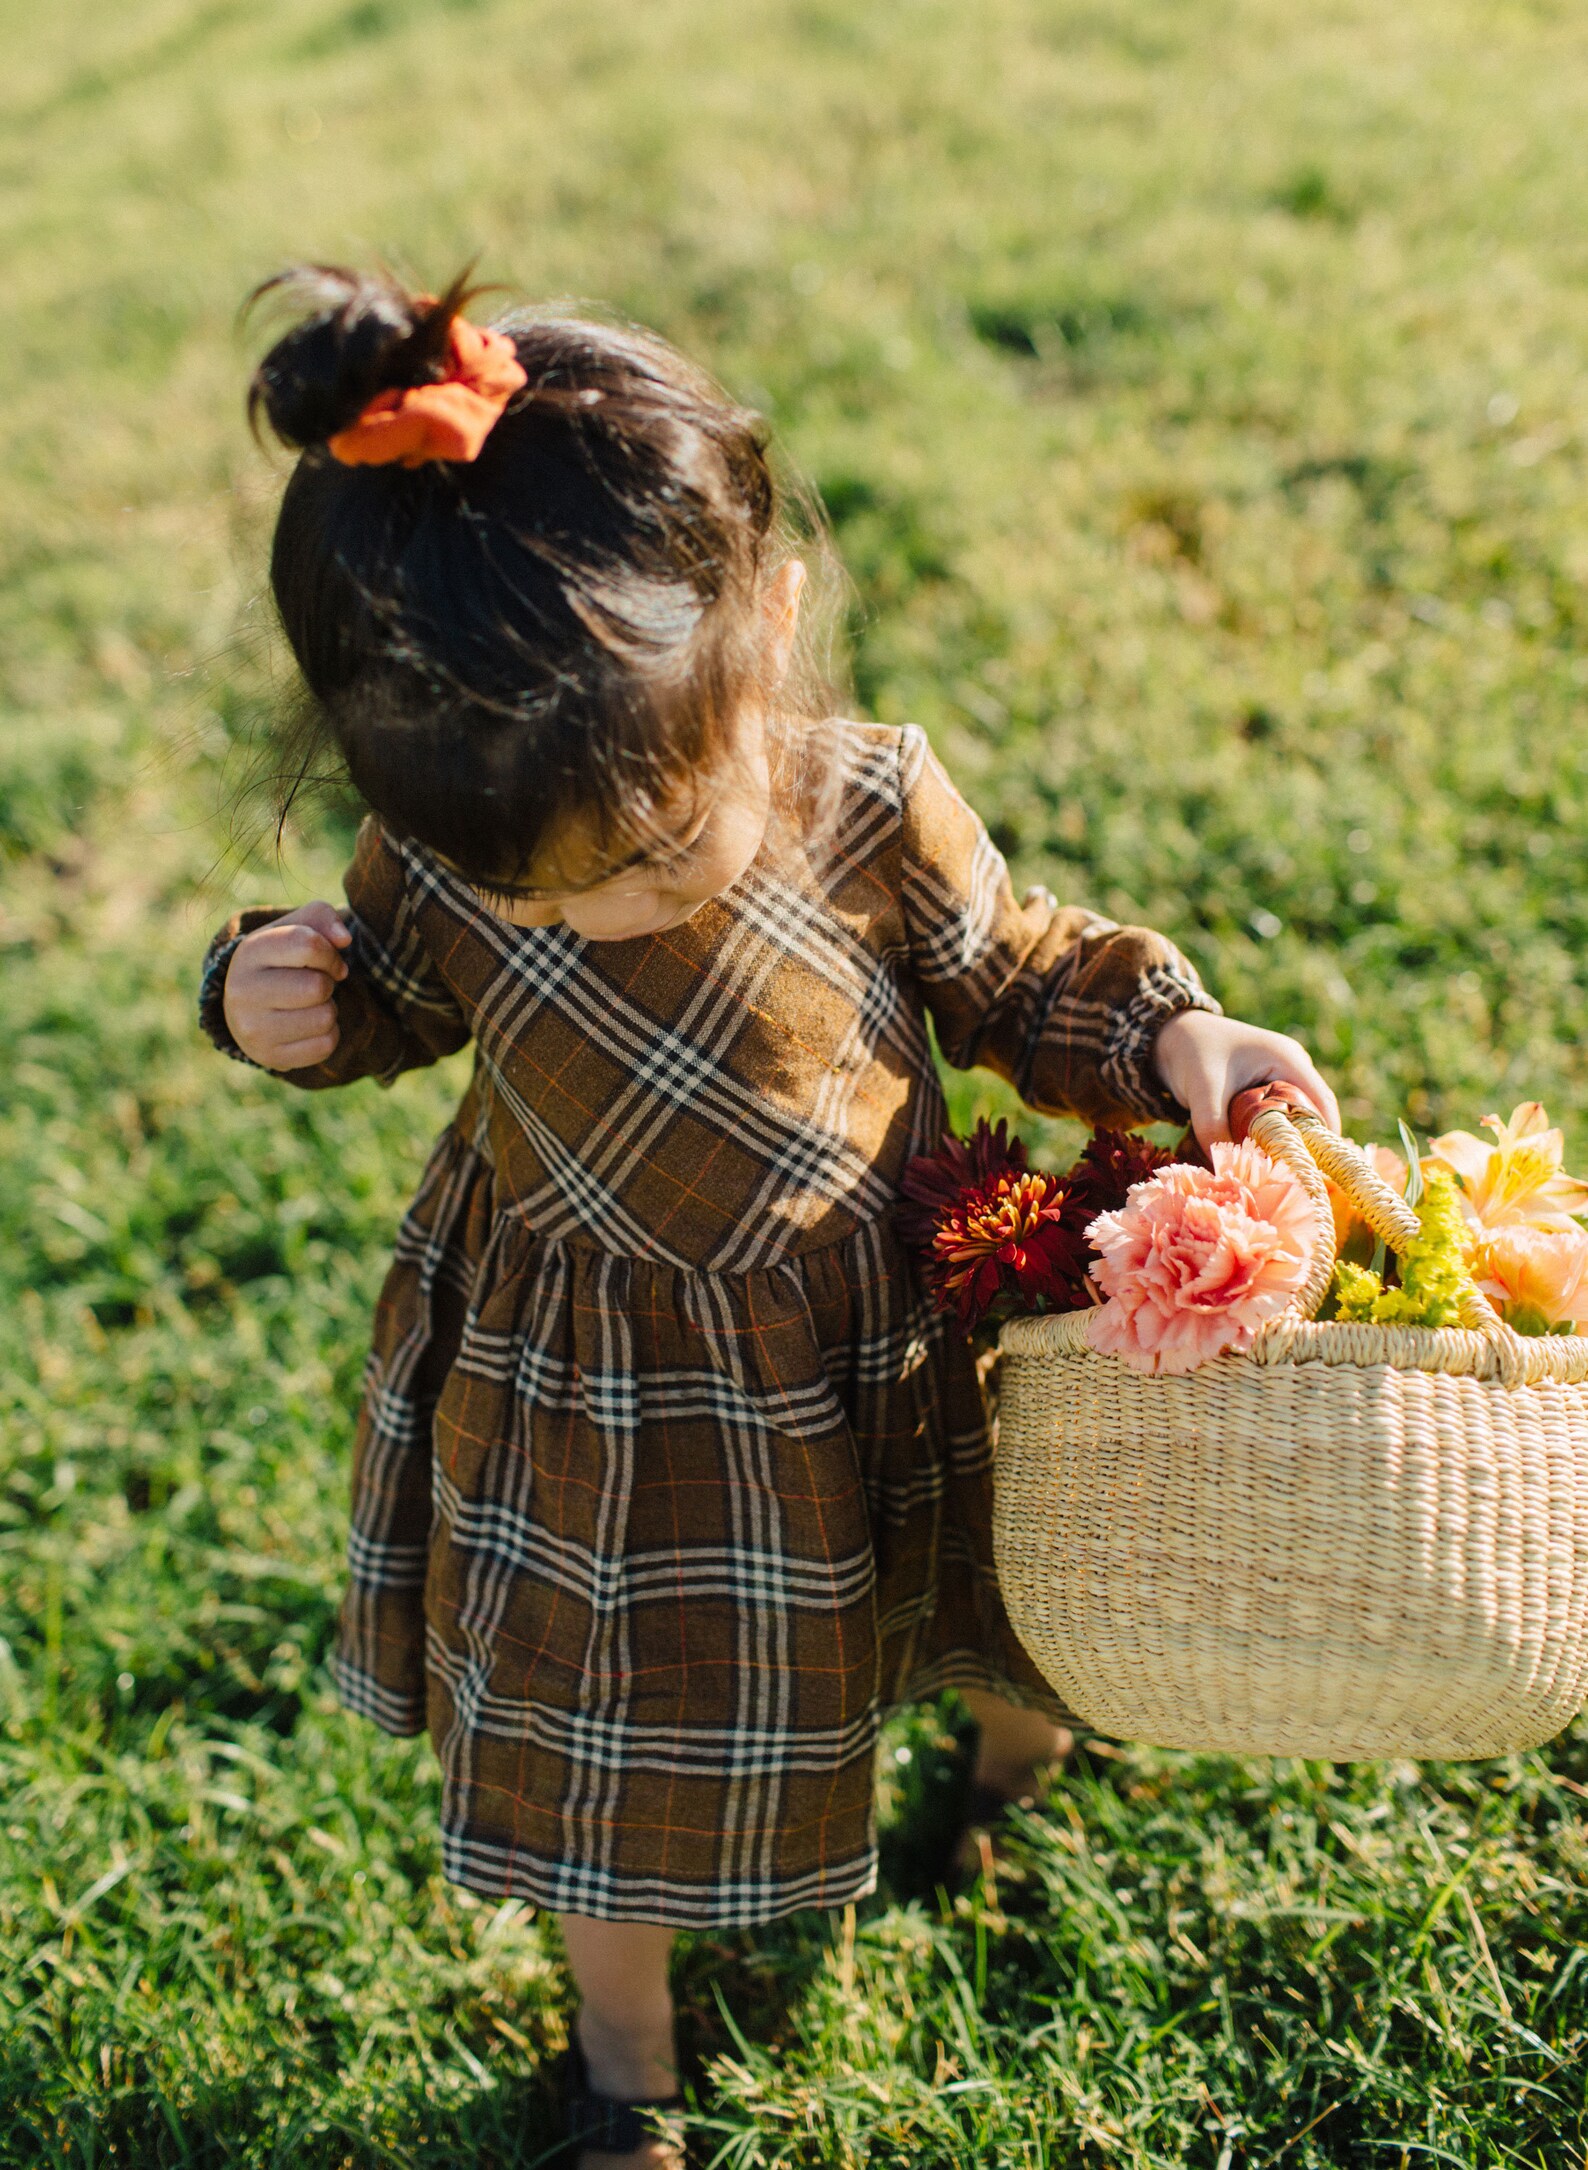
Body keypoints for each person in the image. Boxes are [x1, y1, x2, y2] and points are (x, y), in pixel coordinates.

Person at [200, 267, 1338, 2170]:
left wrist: (1179, 1035)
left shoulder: (868, 802)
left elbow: (1023, 974)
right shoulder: (469, 840)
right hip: (602, 1421)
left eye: (649, 850)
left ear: (775, 626)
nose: (606, 905)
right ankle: (622, 2060)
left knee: (982, 1594)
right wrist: (273, 995)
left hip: (884, 1343)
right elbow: (381, 990)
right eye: (543, 891)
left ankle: (1005, 1774)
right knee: (606, 1737)